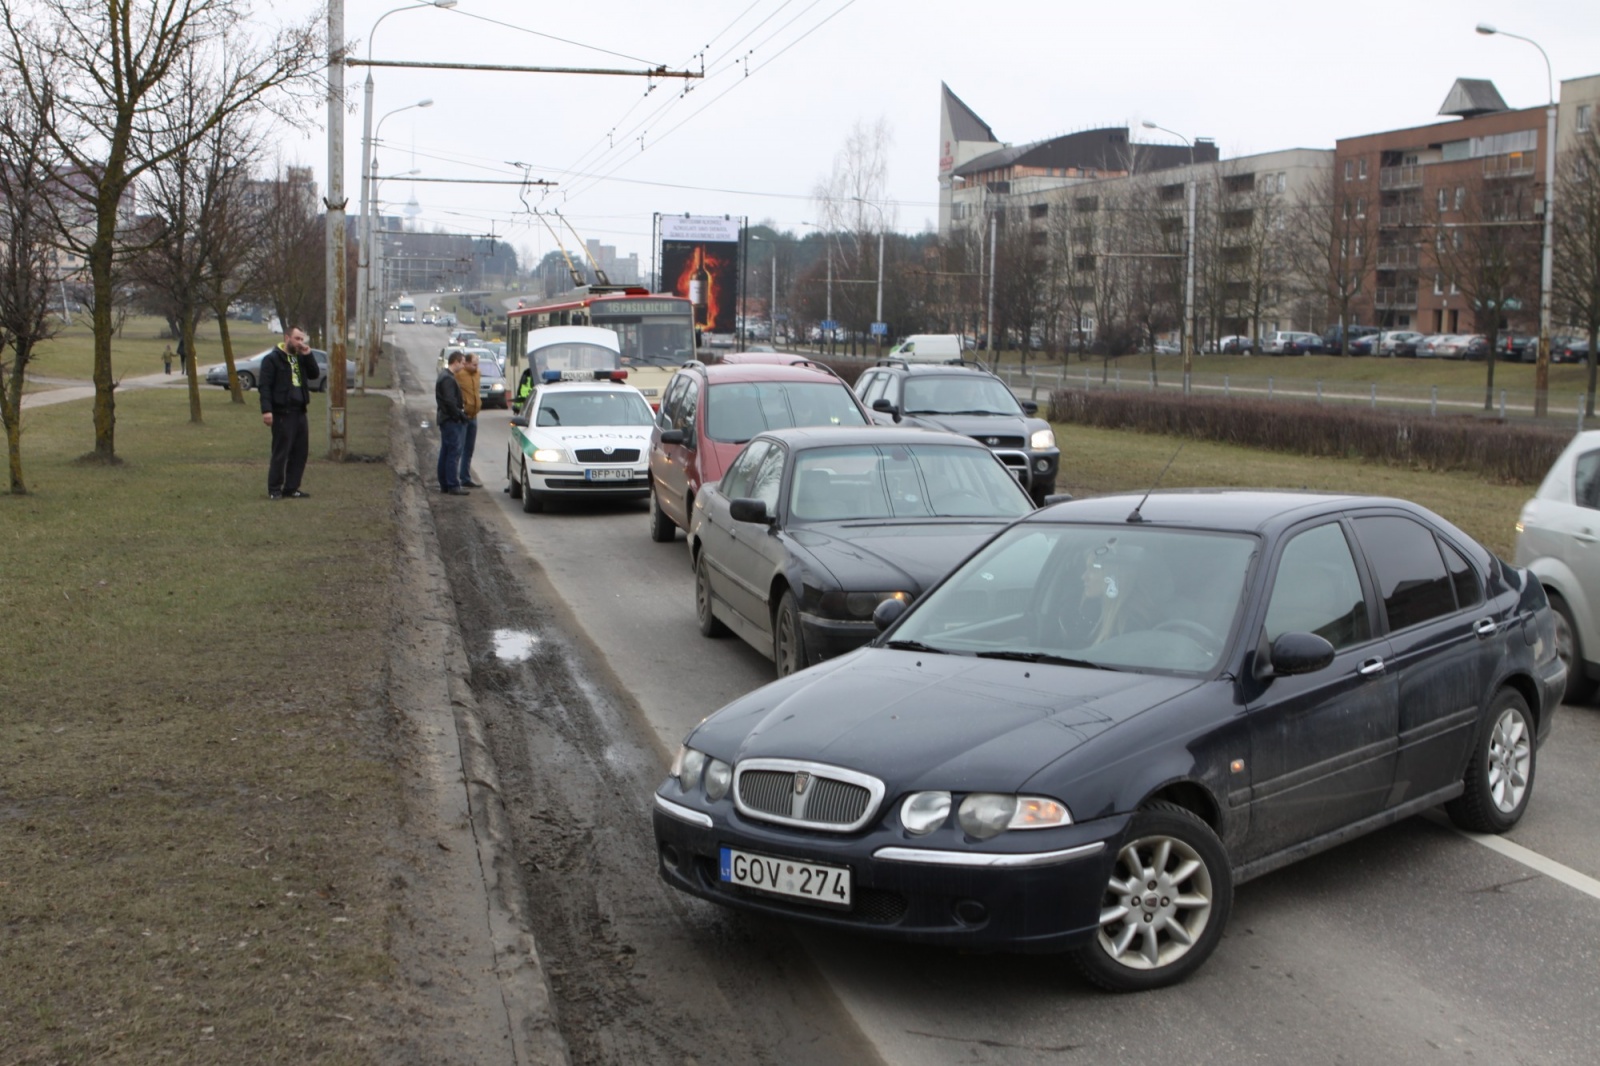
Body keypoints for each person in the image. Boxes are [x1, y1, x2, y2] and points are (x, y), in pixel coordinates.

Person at [259, 327, 318, 500]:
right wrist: (267, 410)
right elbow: (265, 387)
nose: (300, 342)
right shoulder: (272, 360)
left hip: (299, 411)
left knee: (300, 451)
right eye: (297, 339)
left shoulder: (300, 358)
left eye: (302, 339)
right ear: (287, 338)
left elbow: (314, 374)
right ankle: (274, 488)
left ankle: (291, 487)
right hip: (282, 412)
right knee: (281, 451)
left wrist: (308, 355)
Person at [436, 350, 470, 495]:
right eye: (462, 363)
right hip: (450, 420)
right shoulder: (448, 379)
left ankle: (445, 484)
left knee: (446, 451)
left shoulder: (444, 376)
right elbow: (450, 402)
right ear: (455, 362)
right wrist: (459, 415)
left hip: (446, 418)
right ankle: (452, 485)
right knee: (453, 452)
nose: (463, 366)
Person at [452, 349, 483, 488]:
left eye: (477, 364)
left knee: (469, 449)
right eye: (474, 364)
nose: (477, 367)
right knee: (459, 447)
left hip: (474, 416)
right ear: (466, 364)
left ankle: (465, 477)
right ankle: (455, 478)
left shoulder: (478, 374)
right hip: (463, 416)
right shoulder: (459, 375)